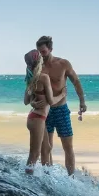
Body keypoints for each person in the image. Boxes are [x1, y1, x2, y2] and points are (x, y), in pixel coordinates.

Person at [35, 35, 87, 176]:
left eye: (43, 52)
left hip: (61, 110)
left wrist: (82, 101)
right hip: (44, 111)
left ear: (50, 49)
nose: (41, 55)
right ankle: (48, 177)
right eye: (39, 52)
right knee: (45, 147)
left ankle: (71, 178)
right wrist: (34, 102)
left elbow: (76, 81)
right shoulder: (37, 66)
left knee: (67, 146)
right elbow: (32, 89)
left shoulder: (63, 64)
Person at [23, 49, 62, 175]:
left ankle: (47, 177)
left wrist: (33, 102)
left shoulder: (30, 78)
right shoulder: (44, 77)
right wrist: (62, 95)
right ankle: (27, 181)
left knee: (47, 148)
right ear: (39, 61)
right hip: (38, 119)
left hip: (35, 118)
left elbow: (25, 101)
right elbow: (51, 101)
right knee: (34, 154)